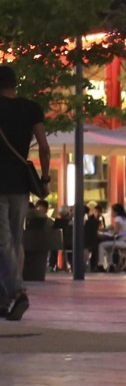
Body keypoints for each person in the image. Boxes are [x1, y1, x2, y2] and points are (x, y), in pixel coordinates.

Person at [0, 64, 51, 321]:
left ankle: (17, 292)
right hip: (21, 185)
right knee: (14, 241)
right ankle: (4, 299)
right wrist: (45, 178)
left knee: (2, 243)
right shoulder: (32, 108)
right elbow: (44, 147)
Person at [99, 203, 126, 272]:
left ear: (116, 212)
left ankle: (100, 264)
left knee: (102, 245)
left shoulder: (118, 218)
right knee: (109, 246)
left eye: (112, 211)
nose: (111, 213)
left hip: (123, 242)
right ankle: (111, 265)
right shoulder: (125, 218)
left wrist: (104, 233)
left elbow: (115, 232)